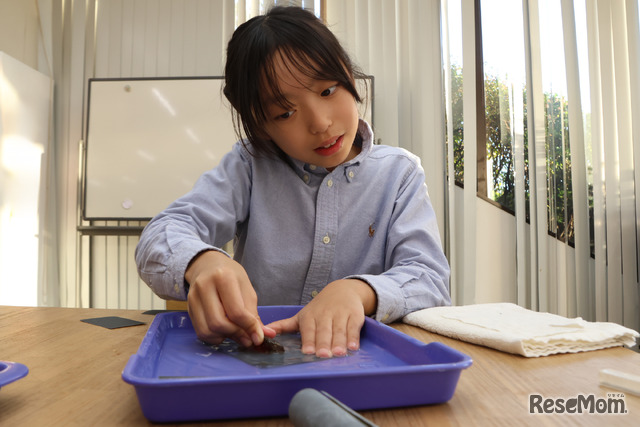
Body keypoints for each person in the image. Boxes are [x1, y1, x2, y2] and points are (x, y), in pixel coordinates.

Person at [135, 6, 450, 358]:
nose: (320, 123)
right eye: (285, 113)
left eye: (328, 90)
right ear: (260, 126)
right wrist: (204, 262)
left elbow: (429, 278)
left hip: (358, 363)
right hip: (255, 361)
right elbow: (162, 233)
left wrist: (358, 292)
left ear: (347, 72)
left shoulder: (399, 174)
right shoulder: (250, 165)